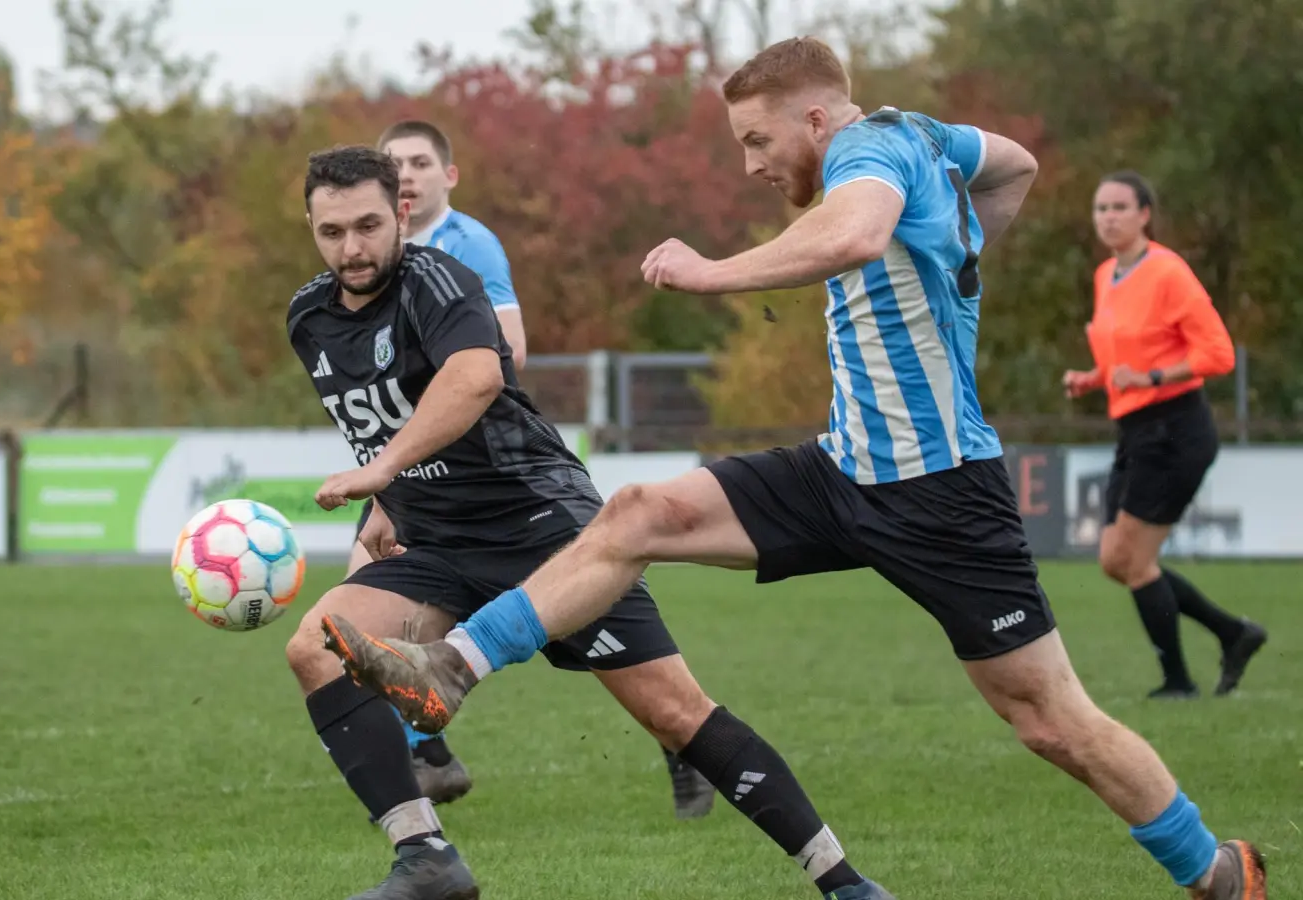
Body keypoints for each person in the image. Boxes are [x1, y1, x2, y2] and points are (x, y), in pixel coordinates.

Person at [320, 37, 1269, 900]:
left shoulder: (869, 152)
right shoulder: (924, 140)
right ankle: (453, 665)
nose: (752, 163)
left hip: (942, 497)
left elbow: (853, 235)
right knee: (638, 513)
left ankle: (1216, 871)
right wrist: (964, 246)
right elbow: (1015, 164)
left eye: (756, 139)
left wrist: (710, 271)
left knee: (1052, 721)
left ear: (816, 117)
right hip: (842, 468)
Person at [288, 145, 891, 900]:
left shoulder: (439, 283)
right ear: (310, 227)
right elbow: (390, 415)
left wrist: (380, 473)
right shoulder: (307, 317)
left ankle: (844, 882)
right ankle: (425, 859)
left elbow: (473, 378)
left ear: (403, 214)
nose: (352, 248)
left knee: (676, 715)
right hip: (437, 544)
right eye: (332, 231)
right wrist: (388, 496)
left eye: (368, 225)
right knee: (317, 647)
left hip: (545, 528)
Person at [349, 120, 716, 818]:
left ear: (448, 176)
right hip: (416, 478)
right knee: (359, 614)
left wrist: (432, 404)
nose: (407, 175)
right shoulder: (371, 263)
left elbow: (505, 345)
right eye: (393, 164)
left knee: (596, 627)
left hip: (497, 478)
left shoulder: (468, 245)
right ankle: (426, 760)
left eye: (420, 162)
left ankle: (682, 739)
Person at [1063, 171, 1268, 699]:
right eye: (1100, 208)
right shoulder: (1106, 274)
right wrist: (1095, 376)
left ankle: (1178, 681)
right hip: (1135, 430)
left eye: (1119, 207)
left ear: (1144, 214)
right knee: (1115, 560)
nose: (1108, 217)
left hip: (1176, 429)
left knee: (1133, 562)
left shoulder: (1168, 272)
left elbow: (1217, 354)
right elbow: (1128, 355)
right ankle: (1232, 632)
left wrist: (1153, 377)